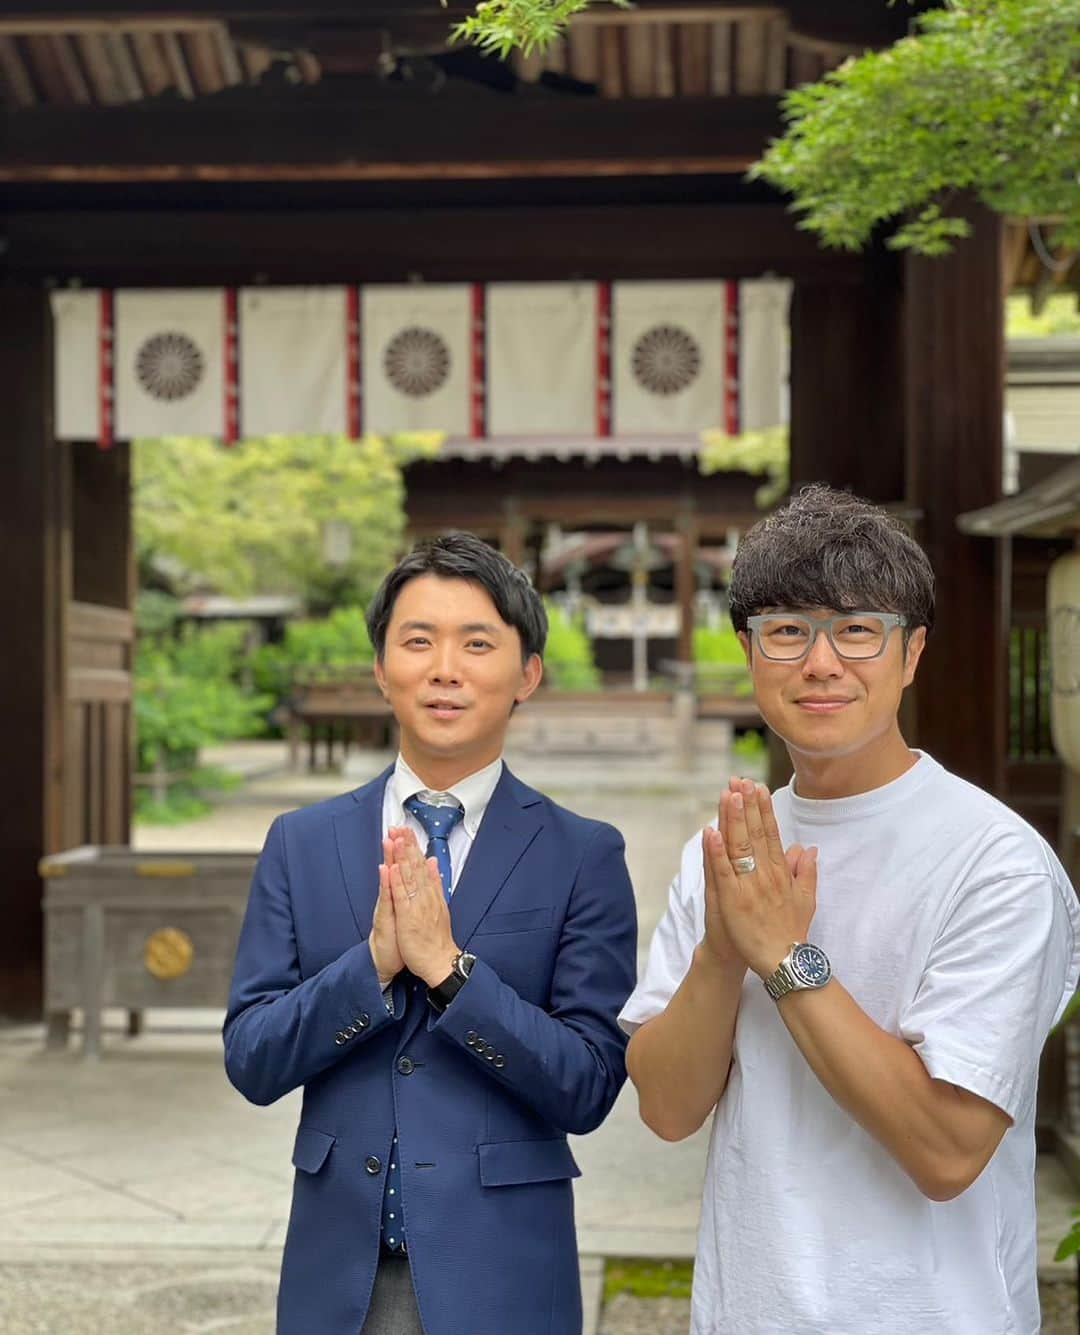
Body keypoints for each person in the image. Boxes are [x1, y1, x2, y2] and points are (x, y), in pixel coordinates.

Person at [621, 485, 1080, 1335]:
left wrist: (785, 954)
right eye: (788, 630)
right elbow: (668, 1109)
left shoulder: (997, 863)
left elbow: (947, 1149)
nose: (821, 663)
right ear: (752, 653)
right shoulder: (725, 849)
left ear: (911, 655)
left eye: (858, 629)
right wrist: (725, 950)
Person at [224, 532, 637, 1335]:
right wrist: (375, 963)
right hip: (338, 1275)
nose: (444, 667)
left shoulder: (583, 853)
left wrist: (450, 972)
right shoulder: (300, 842)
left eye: (476, 642)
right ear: (382, 668)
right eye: (418, 641)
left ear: (527, 674)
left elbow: (589, 1083)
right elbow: (252, 1056)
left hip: (504, 1273)